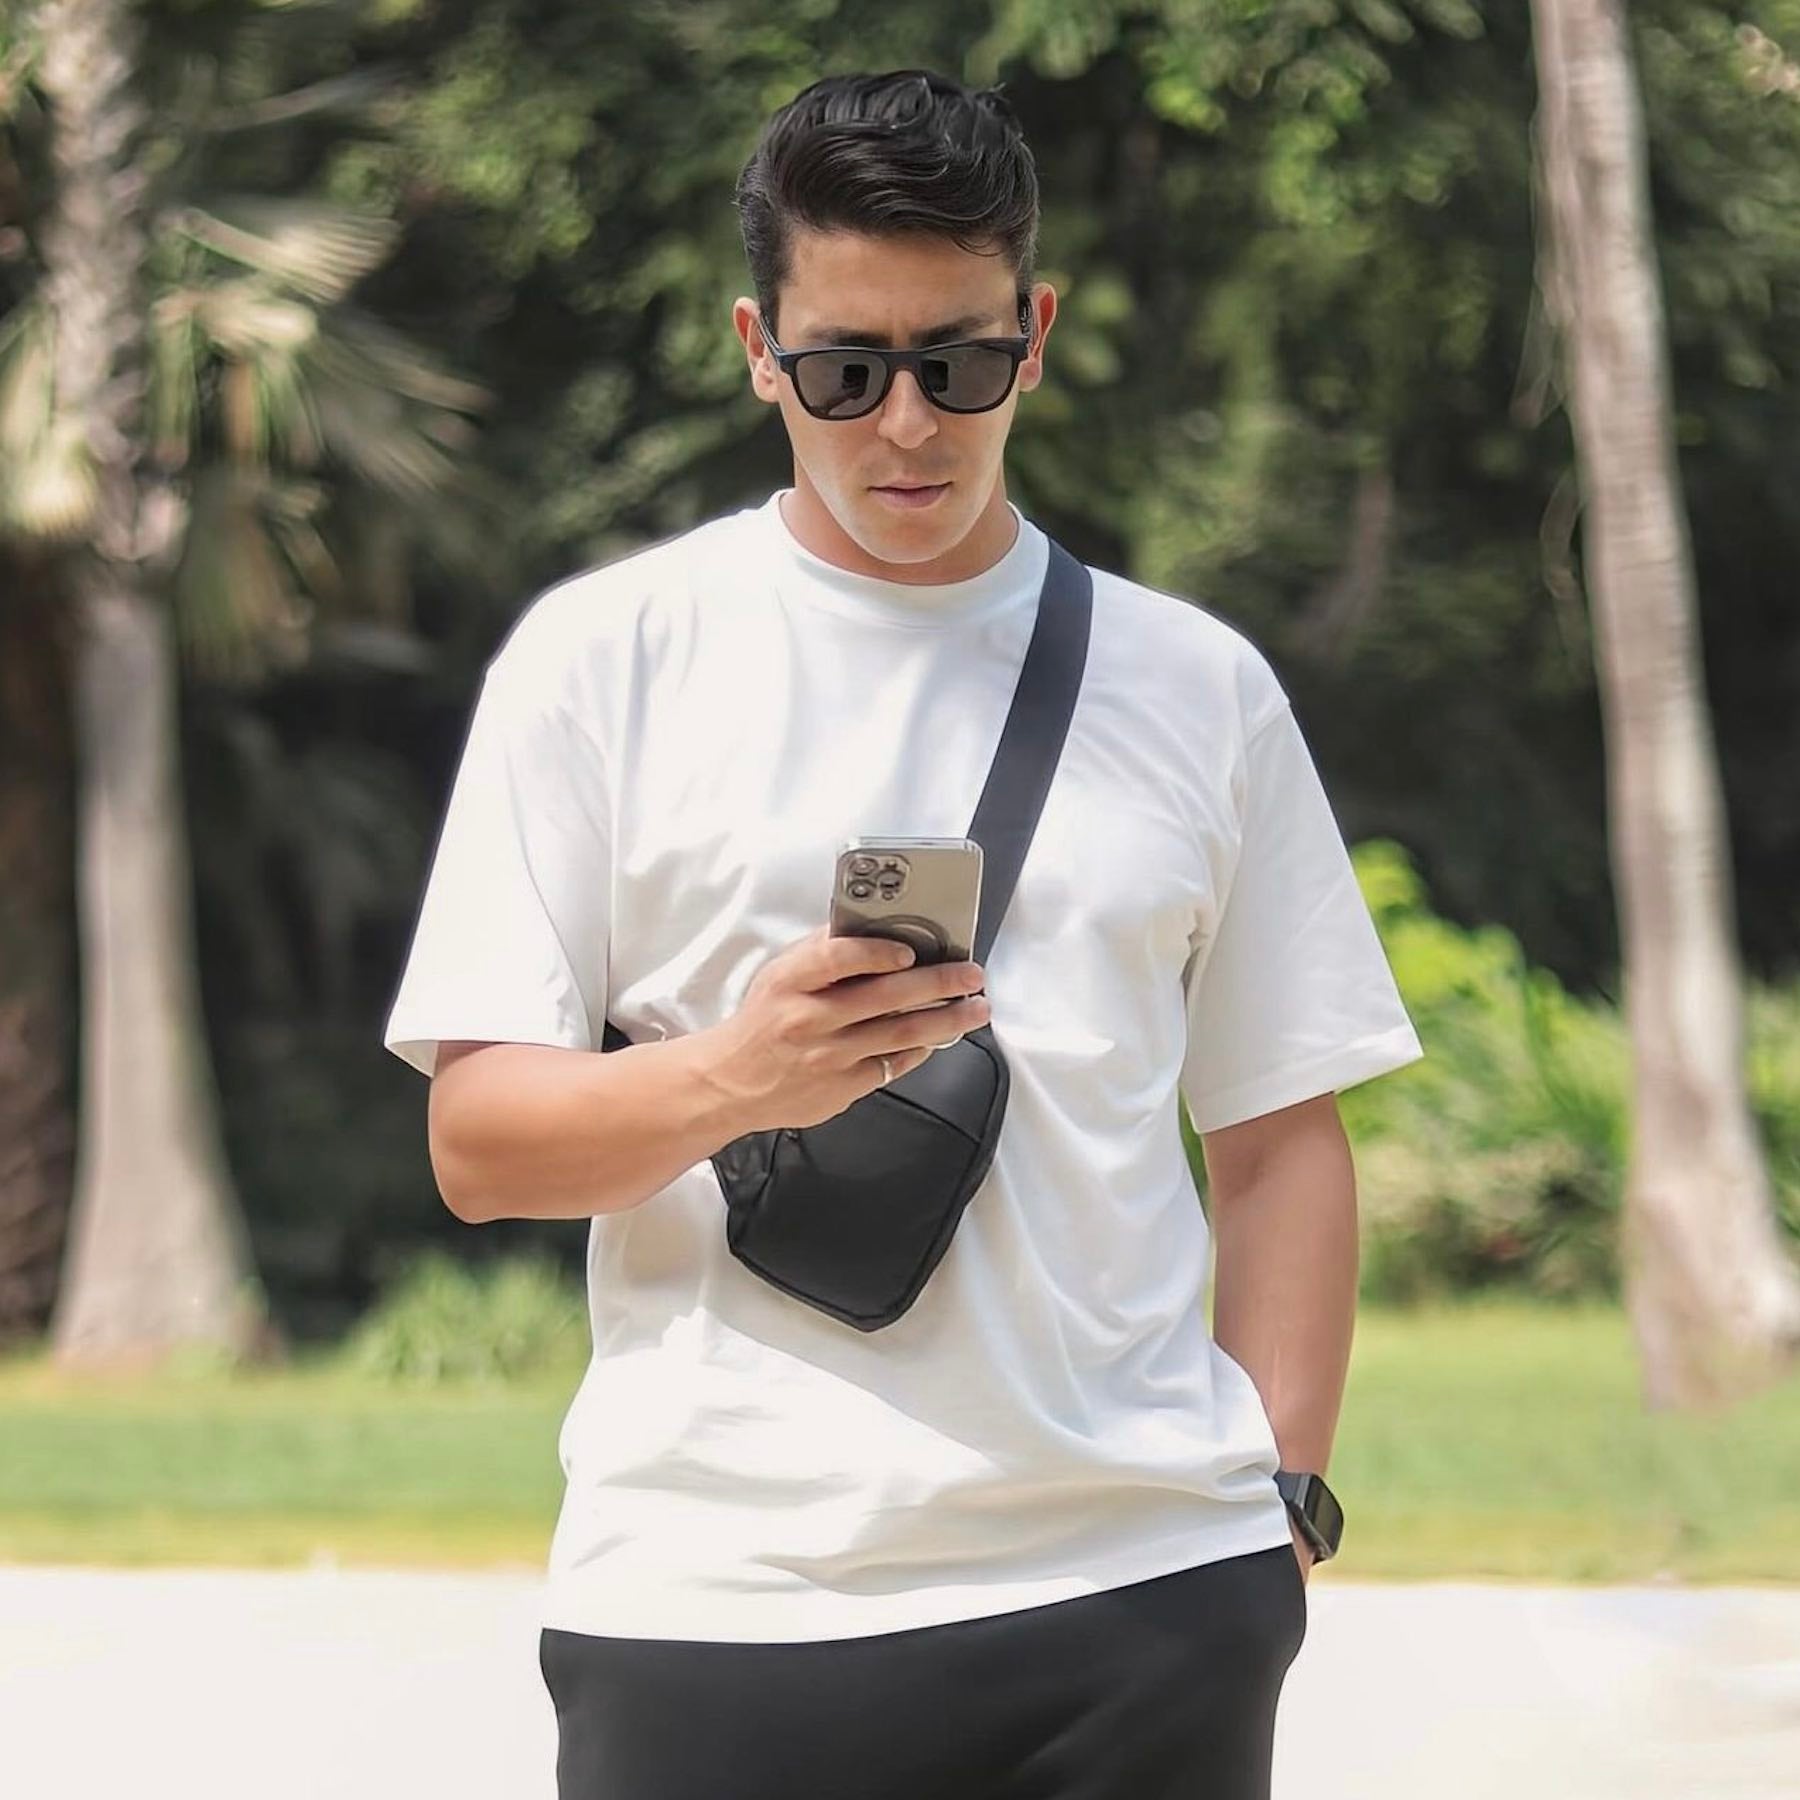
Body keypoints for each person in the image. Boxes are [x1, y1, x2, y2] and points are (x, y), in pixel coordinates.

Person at [383, 67, 1424, 1800]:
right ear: (758, 349)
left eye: (960, 363)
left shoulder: (1196, 685)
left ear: (1036, 335)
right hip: (717, 1602)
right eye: (846, 372)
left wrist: (1281, 1514)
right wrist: (740, 1074)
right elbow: (479, 1146)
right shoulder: (607, 660)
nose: (910, 426)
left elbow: (1281, 1137)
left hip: (1143, 1596)